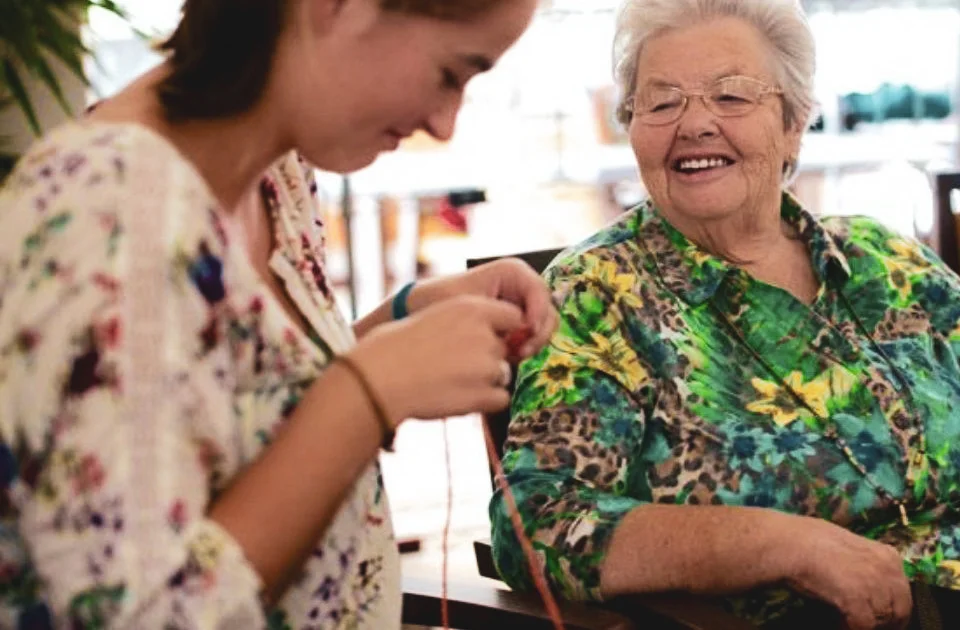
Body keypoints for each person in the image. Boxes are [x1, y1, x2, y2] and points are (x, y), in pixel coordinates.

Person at [0, 0, 554, 628]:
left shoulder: (278, 173)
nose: (445, 122)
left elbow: (250, 406)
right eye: (452, 73)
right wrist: (370, 390)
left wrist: (406, 318)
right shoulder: (109, 213)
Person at [490, 1, 960, 628]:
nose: (695, 124)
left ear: (794, 122)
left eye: (732, 96)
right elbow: (540, 526)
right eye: (661, 103)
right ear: (631, 128)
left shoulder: (886, 261)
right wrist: (782, 545)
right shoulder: (598, 296)